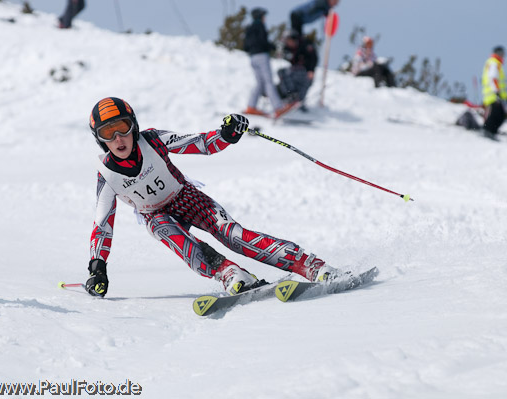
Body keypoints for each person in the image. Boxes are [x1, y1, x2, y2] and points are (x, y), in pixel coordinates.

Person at [84, 97, 340, 297]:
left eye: (122, 127)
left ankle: (310, 265)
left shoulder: (152, 140)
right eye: (108, 133)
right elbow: (102, 224)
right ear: (100, 140)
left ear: (134, 126)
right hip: (156, 215)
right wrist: (98, 267)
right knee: (183, 245)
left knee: (234, 236)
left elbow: (201, 143)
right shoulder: (107, 174)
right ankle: (230, 274)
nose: (118, 138)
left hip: (186, 198)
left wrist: (226, 134)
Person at [243, 8, 296, 118]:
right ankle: (278, 108)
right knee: (268, 82)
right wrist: (273, 46)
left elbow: (246, 46)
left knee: (260, 83)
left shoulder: (249, 28)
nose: (264, 18)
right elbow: (263, 42)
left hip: (253, 58)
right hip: (262, 56)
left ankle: (251, 106)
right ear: (260, 16)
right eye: (263, 16)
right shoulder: (260, 26)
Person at [277, 30, 318, 111]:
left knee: (287, 75)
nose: (288, 43)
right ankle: (292, 99)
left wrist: (311, 70)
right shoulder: (291, 49)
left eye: (289, 41)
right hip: (296, 74)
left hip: (305, 73)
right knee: (282, 74)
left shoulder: (305, 45)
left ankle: (296, 100)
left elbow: (314, 57)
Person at [481, 46, 506, 139]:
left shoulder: (494, 63)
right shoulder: (494, 63)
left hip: (493, 95)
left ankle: (492, 132)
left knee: (500, 115)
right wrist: (497, 93)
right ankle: (488, 131)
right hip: (493, 95)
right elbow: (493, 78)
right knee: (497, 114)